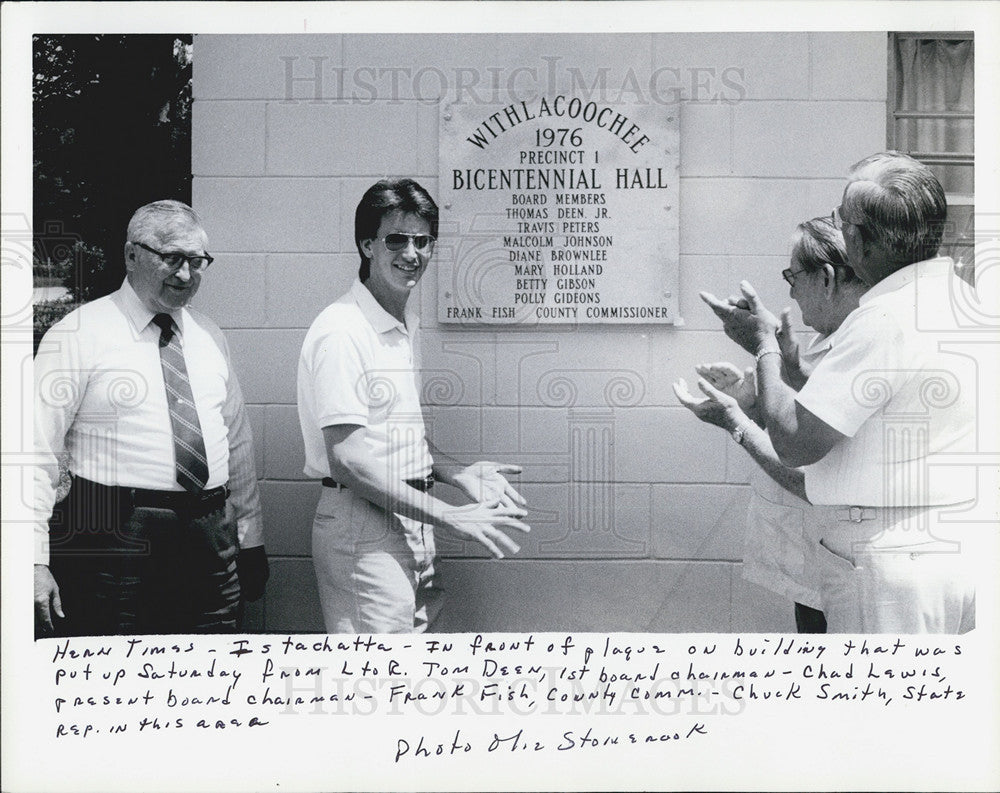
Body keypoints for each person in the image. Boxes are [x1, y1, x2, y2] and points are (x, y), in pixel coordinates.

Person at [700, 152, 977, 633]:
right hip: (957, 542)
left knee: (881, 705)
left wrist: (763, 345)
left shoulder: (883, 318)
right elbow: (880, 408)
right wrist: (793, 368)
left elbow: (794, 443)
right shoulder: (961, 301)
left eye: (841, 222)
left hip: (888, 555)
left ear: (860, 240)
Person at [297, 178, 530, 634]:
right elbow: (347, 460)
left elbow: (398, 438)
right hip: (364, 525)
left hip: (412, 515)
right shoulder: (343, 331)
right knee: (378, 688)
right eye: (396, 239)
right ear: (367, 245)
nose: (411, 253)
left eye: (422, 241)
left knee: (418, 682)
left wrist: (457, 474)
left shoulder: (403, 325)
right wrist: (448, 514)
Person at [33, 200, 268, 637]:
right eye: (172, 258)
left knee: (212, 680)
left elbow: (236, 443)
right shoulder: (79, 334)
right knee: (114, 684)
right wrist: (32, 559)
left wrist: (250, 538)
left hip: (210, 540)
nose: (185, 275)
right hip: (112, 539)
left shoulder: (208, 336)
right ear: (131, 255)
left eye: (196, 262)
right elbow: (33, 452)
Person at [674, 217, 867, 633]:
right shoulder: (826, 343)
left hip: (837, 564)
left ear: (828, 278)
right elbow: (795, 426)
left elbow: (812, 479)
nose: (791, 291)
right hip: (817, 564)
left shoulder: (855, 351)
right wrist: (756, 402)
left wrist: (736, 422)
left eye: (792, 276)